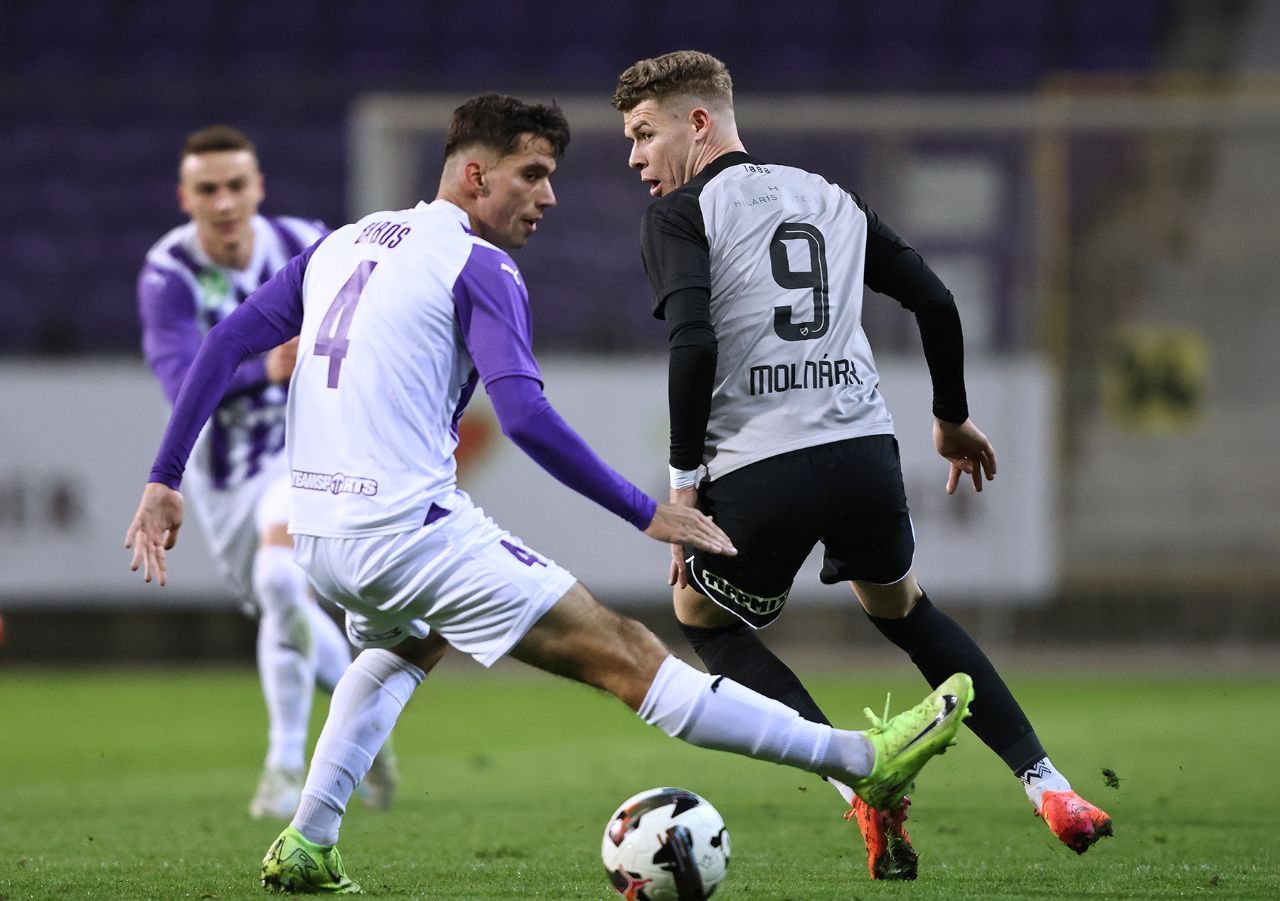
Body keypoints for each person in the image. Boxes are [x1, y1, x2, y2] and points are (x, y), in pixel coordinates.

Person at [125, 94, 973, 895]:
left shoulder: (339, 245)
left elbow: (224, 343)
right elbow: (524, 417)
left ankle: (309, 838)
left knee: (408, 643)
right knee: (630, 654)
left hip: (321, 537)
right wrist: (647, 510)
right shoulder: (478, 263)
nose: (548, 197)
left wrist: (164, 478)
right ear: (474, 175)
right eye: (531, 174)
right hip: (409, 531)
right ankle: (864, 759)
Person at [612, 50, 1113, 881]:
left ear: (698, 122)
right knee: (906, 609)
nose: (635, 158)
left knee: (700, 615)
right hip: (864, 454)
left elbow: (692, 341)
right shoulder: (829, 195)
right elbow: (936, 299)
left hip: (764, 465)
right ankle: (1050, 785)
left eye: (643, 133)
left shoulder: (680, 214)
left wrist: (683, 492)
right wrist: (950, 417)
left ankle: (857, 778)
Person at [136, 125, 396, 820]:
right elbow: (179, 381)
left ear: (259, 188)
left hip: (304, 453)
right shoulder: (168, 272)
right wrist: (265, 368)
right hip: (225, 476)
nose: (224, 202)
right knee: (281, 605)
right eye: (208, 189)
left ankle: (284, 767)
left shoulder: (307, 242)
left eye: (235, 186)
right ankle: (366, 730)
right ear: (186, 197)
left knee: (283, 582)